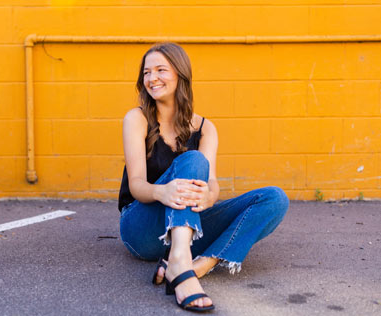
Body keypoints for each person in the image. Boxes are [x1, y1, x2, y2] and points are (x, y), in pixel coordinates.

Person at [118, 42, 289, 312]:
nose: (152, 78)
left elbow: (211, 184)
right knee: (194, 160)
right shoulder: (136, 119)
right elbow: (137, 185)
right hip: (142, 227)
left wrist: (210, 196)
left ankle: (197, 265)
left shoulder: (205, 127)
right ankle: (181, 262)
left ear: (180, 75)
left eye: (161, 70)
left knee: (274, 199)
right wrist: (162, 192)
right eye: (147, 72)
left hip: (183, 224)